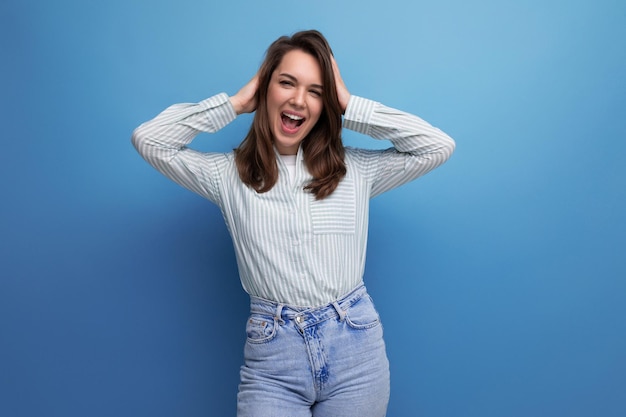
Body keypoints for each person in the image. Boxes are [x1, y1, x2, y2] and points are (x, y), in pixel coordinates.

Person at [132, 29, 455, 417]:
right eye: (287, 83)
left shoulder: (354, 170)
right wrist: (234, 103)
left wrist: (350, 104)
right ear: (265, 89)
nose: (299, 100)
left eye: (317, 91)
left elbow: (437, 146)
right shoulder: (225, 175)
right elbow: (150, 139)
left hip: (356, 349)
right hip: (273, 360)